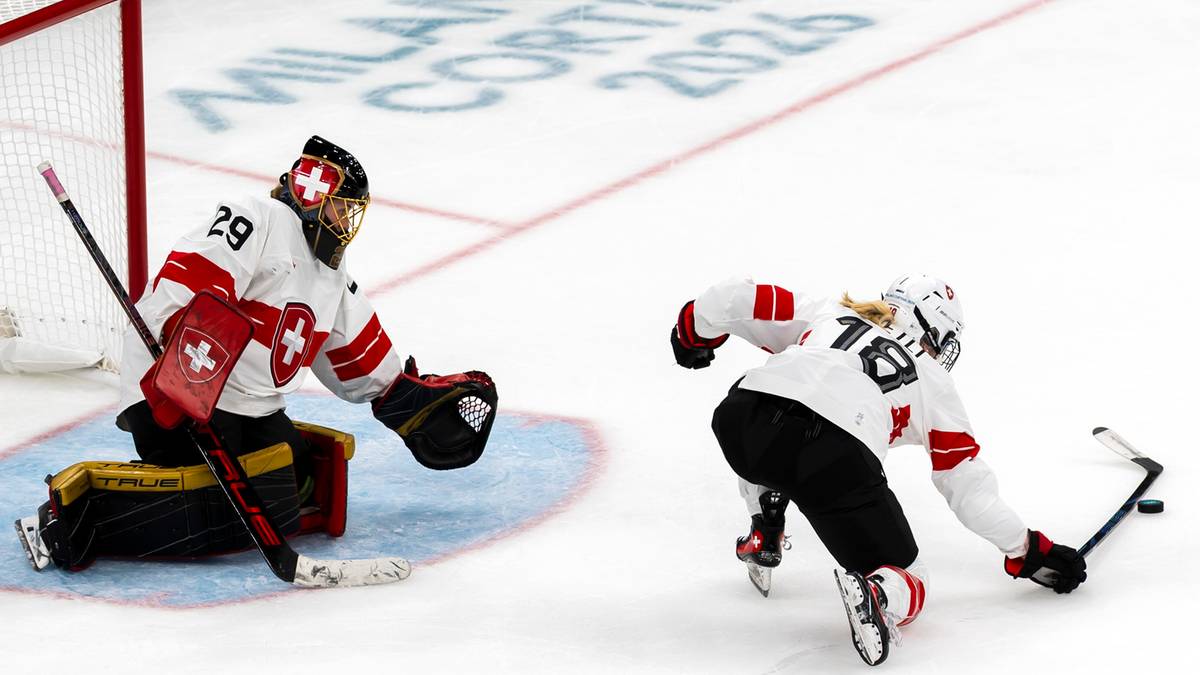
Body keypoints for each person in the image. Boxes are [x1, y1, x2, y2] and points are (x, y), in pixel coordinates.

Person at [15, 135, 497, 572]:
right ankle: (70, 517)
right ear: (314, 193)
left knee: (300, 478)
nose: (346, 222)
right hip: (169, 391)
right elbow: (189, 284)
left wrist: (405, 397)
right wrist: (183, 377)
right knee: (230, 506)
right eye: (341, 208)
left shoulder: (330, 274)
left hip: (248, 407)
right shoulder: (256, 218)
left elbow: (356, 352)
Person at [670, 274, 1086, 666]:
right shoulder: (933, 381)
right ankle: (879, 594)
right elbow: (968, 488)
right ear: (929, 328)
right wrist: (1028, 551)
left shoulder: (827, 311)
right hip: (833, 456)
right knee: (911, 576)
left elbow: (733, 297)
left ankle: (765, 527)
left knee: (774, 417)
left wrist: (693, 332)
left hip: (743, 420)